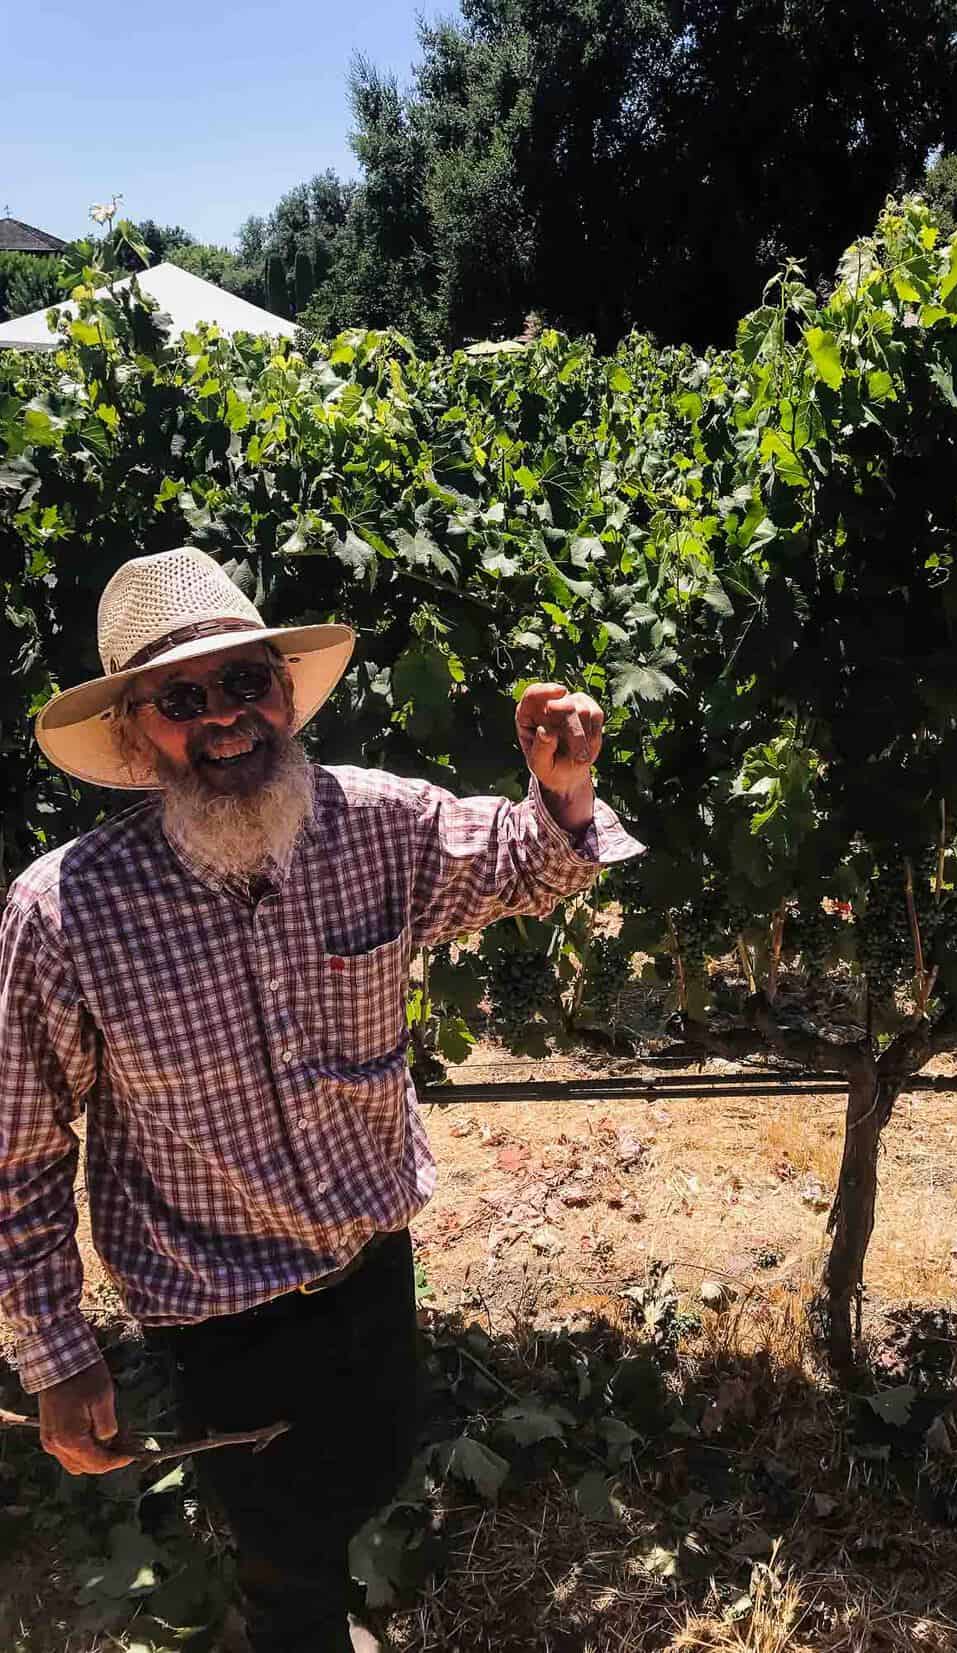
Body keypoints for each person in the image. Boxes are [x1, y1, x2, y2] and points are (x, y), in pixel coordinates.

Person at [0, 547, 643, 1653]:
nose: (226, 719)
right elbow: (17, 1153)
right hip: (218, 1308)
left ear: (286, 691)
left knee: (373, 1460)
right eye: (183, 699)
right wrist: (56, 1355)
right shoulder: (65, 914)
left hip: (369, 1261)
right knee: (282, 1545)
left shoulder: (376, 825)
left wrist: (563, 784)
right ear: (134, 731)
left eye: (245, 682)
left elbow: (526, 865)